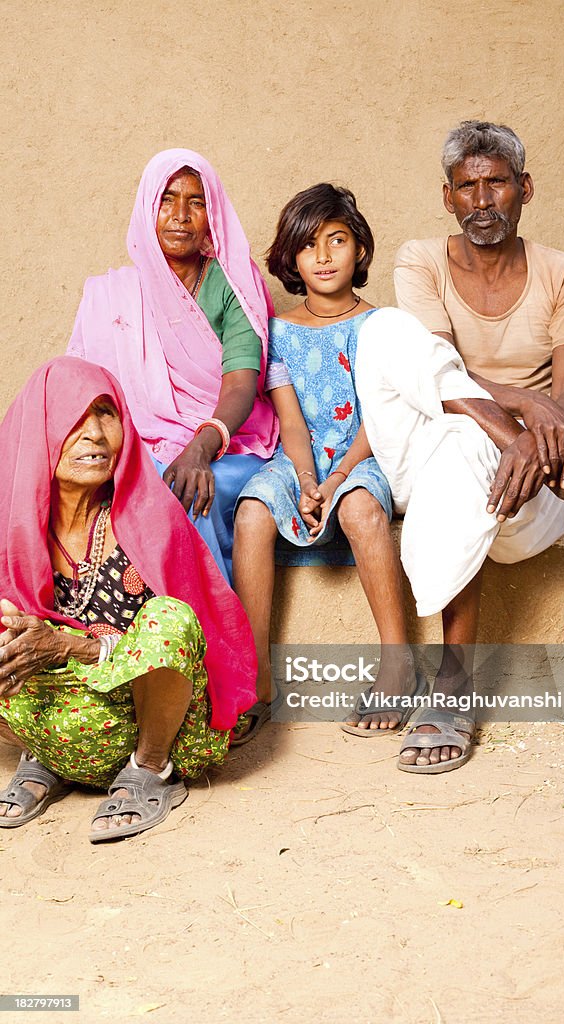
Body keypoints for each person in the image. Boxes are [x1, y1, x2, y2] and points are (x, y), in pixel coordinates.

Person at [354, 121, 564, 773]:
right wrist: (514, 408)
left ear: (525, 189)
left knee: (459, 434)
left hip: (540, 484)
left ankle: (450, 688)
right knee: (387, 336)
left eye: (496, 184)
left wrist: (532, 430)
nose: (482, 201)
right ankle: (451, 687)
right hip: (453, 469)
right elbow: (434, 367)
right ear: (447, 197)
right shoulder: (420, 260)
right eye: (466, 187)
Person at [0, 358, 257, 842]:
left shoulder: (149, 520)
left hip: (163, 726)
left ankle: (150, 771)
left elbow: (195, 642)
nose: (95, 434)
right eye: (75, 418)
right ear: (39, 432)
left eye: (106, 414)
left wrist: (69, 647)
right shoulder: (13, 529)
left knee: (169, 618)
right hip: (67, 720)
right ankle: (44, 757)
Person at [232, 184, 423, 744]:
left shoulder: (382, 326)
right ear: (291, 258)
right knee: (251, 512)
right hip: (304, 458)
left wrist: (338, 477)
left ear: (359, 249)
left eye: (336, 240)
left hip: (367, 450)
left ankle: (397, 665)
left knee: (363, 509)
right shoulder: (281, 332)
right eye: (308, 245)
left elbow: (381, 417)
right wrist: (310, 480)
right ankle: (258, 678)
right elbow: (291, 423)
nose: (323, 256)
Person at [68, 148, 278, 583]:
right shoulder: (113, 295)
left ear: (212, 213)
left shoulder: (233, 282)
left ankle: (213, 641)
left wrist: (201, 449)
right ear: (148, 207)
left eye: (196, 202)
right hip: (140, 445)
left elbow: (241, 383)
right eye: (167, 199)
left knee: (191, 494)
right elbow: (85, 389)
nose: (180, 214)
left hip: (230, 445)